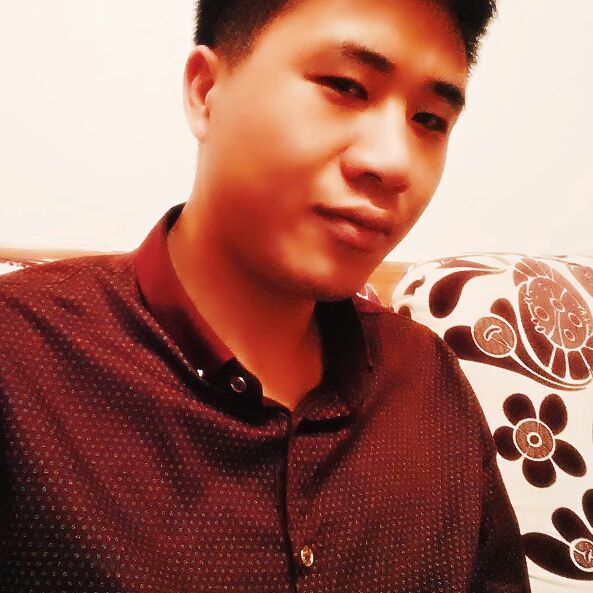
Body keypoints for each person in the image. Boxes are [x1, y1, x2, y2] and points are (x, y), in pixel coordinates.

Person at [0, 0, 531, 591]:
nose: (393, 161)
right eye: (345, 86)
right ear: (205, 91)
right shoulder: (19, 358)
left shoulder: (428, 381)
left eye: (430, 120)